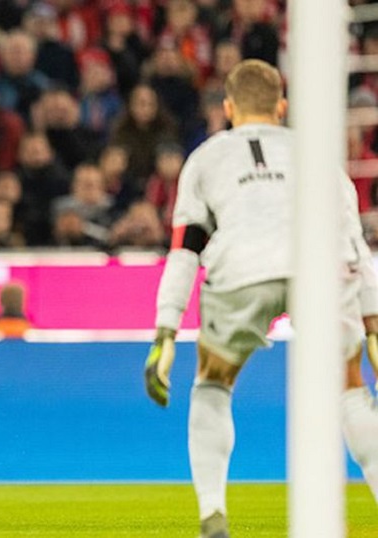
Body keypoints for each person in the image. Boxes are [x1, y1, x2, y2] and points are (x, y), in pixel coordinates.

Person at [143, 59, 378, 538]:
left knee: (212, 382)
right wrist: (373, 323)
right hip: (320, 269)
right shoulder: (317, 155)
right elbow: (355, 245)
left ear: (228, 108)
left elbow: (185, 250)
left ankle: (213, 515)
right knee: (351, 388)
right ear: (281, 107)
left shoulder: (205, 158)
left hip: (241, 269)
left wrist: (165, 330)